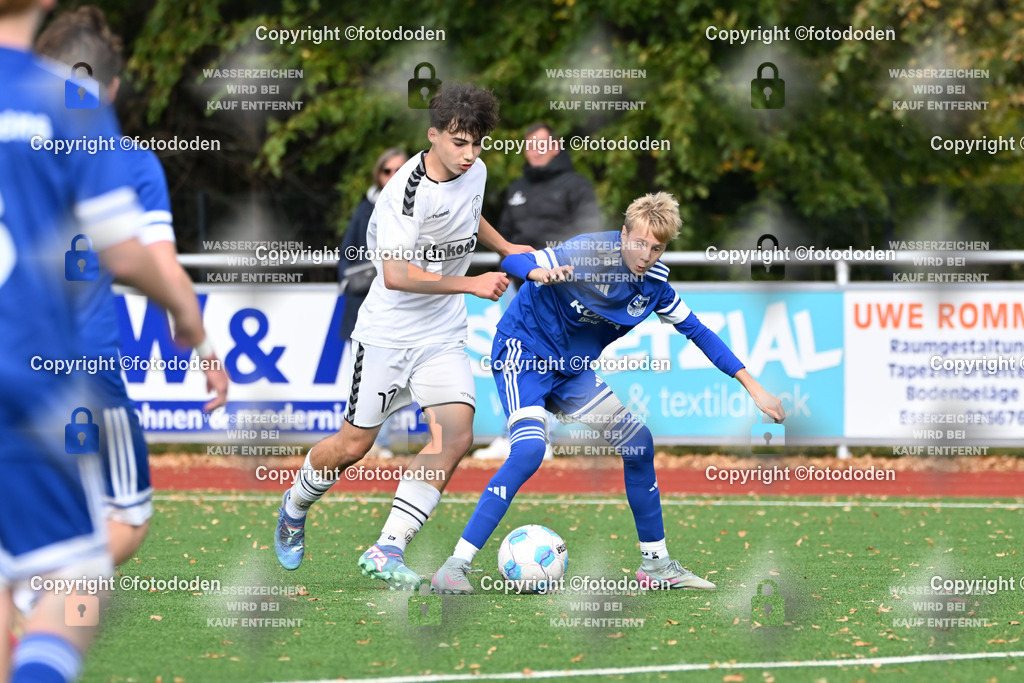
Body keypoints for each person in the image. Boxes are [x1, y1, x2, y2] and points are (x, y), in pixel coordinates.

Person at [432, 192, 786, 594]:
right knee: (529, 450)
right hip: (524, 352)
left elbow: (699, 332)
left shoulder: (654, 287)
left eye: (657, 247)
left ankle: (656, 565)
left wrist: (754, 388)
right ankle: (454, 566)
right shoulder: (588, 252)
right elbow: (514, 260)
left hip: (572, 371)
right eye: (639, 243)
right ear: (622, 235)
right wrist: (536, 274)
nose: (646, 254)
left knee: (638, 442)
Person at [0, 1, 209, 679]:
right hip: (39, 373)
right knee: (84, 566)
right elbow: (129, 253)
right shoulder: (69, 107)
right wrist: (189, 316)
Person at [274, 83, 531, 589]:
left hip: (441, 333)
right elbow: (395, 274)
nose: (470, 153)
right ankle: (295, 502)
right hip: (388, 336)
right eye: (459, 142)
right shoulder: (402, 194)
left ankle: (388, 546)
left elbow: (468, 214)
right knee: (353, 446)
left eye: (477, 143)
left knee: (456, 435)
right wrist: (473, 282)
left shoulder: (474, 170)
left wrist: (505, 246)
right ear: (433, 135)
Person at [34, 5, 229, 567]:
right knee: (127, 514)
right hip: (85, 365)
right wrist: (203, 343)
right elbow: (157, 266)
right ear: (113, 86)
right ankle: (43, 610)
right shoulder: (127, 161)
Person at [474, 122, 602, 460]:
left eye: (542, 144)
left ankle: (540, 439)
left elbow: (590, 233)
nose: (536, 150)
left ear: (556, 147)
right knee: (514, 363)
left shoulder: (576, 185)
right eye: (530, 145)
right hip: (521, 294)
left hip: (563, 295)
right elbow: (504, 238)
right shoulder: (517, 188)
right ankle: (516, 434)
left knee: (551, 365)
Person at [337, 148, 407, 458]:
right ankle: (375, 445)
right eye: (387, 171)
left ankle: (438, 443)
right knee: (367, 384)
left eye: (399, 170)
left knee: (422, 380)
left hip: (410, 310)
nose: (393, 177)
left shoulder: (424, 204)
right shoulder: (365, 209)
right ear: (378, 175)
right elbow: (347, 258)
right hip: (369, 311)